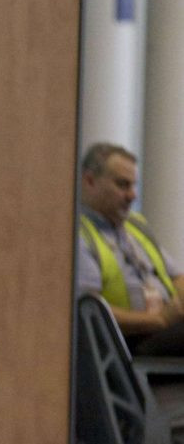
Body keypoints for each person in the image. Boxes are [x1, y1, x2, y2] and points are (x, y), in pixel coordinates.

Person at [78, 142, 184, 356]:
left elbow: (177, 277)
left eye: (134, 185)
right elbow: (90, 311)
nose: (132, 195)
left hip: (166, 328)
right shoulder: (77, 235)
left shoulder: (135, 226)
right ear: (90, 181)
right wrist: (158, 320)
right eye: (122, 185)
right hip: (126, 341)